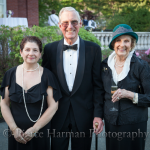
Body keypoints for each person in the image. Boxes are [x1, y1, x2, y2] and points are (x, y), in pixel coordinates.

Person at [42, 7, 104, 150]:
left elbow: (98, 85)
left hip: (85, 115)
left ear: (81, 23)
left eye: (74, 22)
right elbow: (44, 82)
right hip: (57, 114)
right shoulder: (49, 49)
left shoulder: (93, 49)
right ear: (59, 25)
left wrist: (98, 115)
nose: (70, 26)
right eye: (65, 23)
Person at [0, 36, 62, 150]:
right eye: (27, 50)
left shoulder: (48, 75)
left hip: (40, 132)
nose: (31, 53)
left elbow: (53, 106)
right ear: (21, 52)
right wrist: (14, 129)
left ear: (40, 54)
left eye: (35, 50)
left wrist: (35, 129)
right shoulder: (10, 74)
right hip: (15, 133)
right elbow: (4, 103)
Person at [100, 24, 150, 150]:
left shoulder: (141, 66)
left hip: (134, 124)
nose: (122, 44)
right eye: (118, 40)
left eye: (126, 41)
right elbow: (100, 94)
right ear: (113, 44)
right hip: (111, 123)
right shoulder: (104, 66)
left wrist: (130, 94)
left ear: (132, 44)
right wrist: (98, 117)